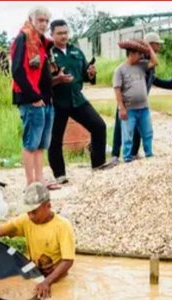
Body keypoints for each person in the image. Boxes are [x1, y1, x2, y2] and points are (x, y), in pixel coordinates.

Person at [0, 182, 75, 299]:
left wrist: (48, 282)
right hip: (37, 276)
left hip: (57, 280)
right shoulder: (26, 220)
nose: (31, 216)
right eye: (28, 212)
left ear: (48, 206)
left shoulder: (63, 226)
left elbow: (68, 261)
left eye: (34, 212)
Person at [11, 6, 67, 189]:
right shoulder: (23, 39)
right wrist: (32, 96)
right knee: (30, 143)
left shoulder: (43, 43)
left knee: (42, 144)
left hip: (45, 98)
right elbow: (17, 70)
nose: (43, 24)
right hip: (30, 98)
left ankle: (40, 180)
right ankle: (30, 182)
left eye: (46, 21)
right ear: (31, 20)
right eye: (40, 20)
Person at [48, 19, 108, 184]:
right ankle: (60, 175)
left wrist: (90, 73)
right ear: (51, 34)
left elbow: (87, 76)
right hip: (58, 101)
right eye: (59, 33)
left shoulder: (76, 51)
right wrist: (58, 79)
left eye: (66, 32)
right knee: (55, 139)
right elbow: (43, 81)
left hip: (77, 99)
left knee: (99, 126)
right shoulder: (48, 53)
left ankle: (98, 164)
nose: (64, 36)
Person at [111, 32, 164, 165]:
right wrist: (121, 107)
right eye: (138, 54)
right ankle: (127, 158)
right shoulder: (120, 70)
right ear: (131, 53)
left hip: (143, 108)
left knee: (147, 133)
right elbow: (117, 90)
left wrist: (147, 46)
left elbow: (155, 61)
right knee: (127, 134)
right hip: (129, 108)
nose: (141, 56)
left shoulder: (141, 65)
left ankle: (149, 154)